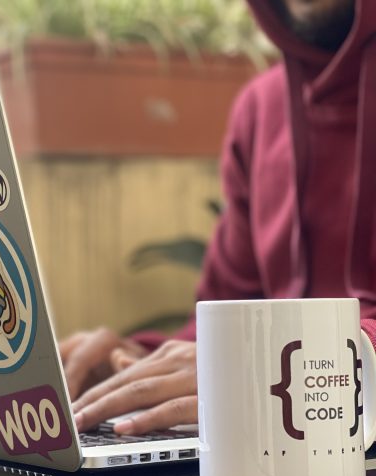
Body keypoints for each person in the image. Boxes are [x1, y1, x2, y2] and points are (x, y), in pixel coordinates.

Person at [63, 0, 376, 435]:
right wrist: (133, 362)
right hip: (270, 458)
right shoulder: (260, 109)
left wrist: (277, 363)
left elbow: (247, 359)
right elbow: (224, 313)